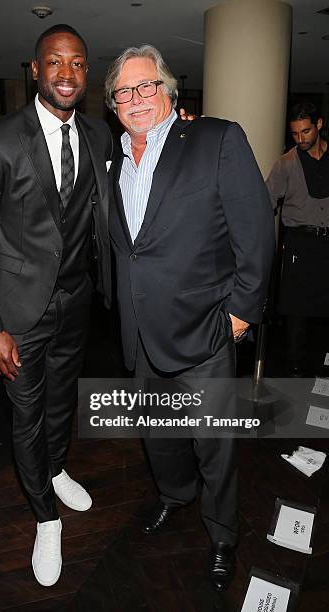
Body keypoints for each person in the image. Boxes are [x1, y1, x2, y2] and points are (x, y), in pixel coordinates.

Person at [105, 45, 274, 591]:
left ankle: (223, 534)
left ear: (168, 91)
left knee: (214, 445)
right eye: (124, 92)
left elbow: (255, 233)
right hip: (141, 337)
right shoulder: (112, 160)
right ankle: (175, 496)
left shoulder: (215, 139)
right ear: (112, 104)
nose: (136, 99)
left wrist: (241, 316)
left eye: (146, 86)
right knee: (159, 437)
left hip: (206, 332)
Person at [0, 24, 113, 587]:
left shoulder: (97, 136)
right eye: (55, 62)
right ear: (35, 69)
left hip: (76, 305)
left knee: (59, 403)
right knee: (26, 415)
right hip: (17, 314)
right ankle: (45, 519)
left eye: (76, 64)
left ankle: (57, 468)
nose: (66, 73)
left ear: (85, 74)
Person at [266, 102, 329, 377]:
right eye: (295, 134)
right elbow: (266, 202)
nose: (301, 139)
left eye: (306, 132)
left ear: (319, 125)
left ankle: (323, 362)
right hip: (299, 244)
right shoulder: (286, 164)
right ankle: (294, 367)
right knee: (296, 308)